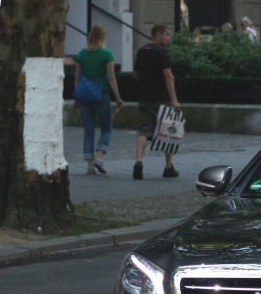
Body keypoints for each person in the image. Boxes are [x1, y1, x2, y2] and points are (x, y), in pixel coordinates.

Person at [70, 25, 124, 176]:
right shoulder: (107, 54)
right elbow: (111, 78)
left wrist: (77, 97)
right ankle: (99, 156)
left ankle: (89, 165)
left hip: (83, 97)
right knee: (107, 127)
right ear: (103, 37)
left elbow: (76, 78)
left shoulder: (81, 54)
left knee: (88, 129)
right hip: (101, 95)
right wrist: (118, 98)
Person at [132, 24, 182, 179]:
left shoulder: (141, 51)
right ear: (158, 34)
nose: (168, 38)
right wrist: (174, 99)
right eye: (167, 35)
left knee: (143, 130)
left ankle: (139, 161)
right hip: (162, 97)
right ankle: (168, 167)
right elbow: (168, 75)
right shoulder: (162, 52)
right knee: (168, 131)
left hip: (145, 97)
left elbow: (136, 73)